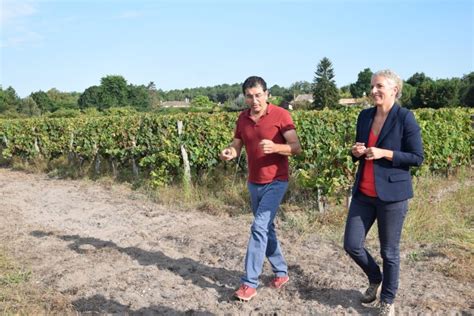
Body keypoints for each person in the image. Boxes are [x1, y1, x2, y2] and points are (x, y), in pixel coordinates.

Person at [343, 70, 424, 315]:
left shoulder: (404, 117)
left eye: (379, 86)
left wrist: (384, 153)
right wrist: (356, 151)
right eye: (372, 86)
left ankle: (387, 299)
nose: (373, 91)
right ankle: (375, 277)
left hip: (392, 196)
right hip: (364, 194)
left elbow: (416, 157)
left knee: (389, 252)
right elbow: (359, 149)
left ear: (394, 90)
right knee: (351, 244)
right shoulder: (365, 116)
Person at [219, 76, 301, 301]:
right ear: (244, 97)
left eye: (258, 95)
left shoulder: (281, 115)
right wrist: (230, 152)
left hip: (276, 181)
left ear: (267, 94)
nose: (254, 100)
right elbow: (237, 145)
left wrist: (276, 147)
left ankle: (249, 283)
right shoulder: (243, 118)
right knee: (266, 229)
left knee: (258, 227)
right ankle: (281, 272)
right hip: (254, 182)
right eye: (249, 96)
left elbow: (296, 147)